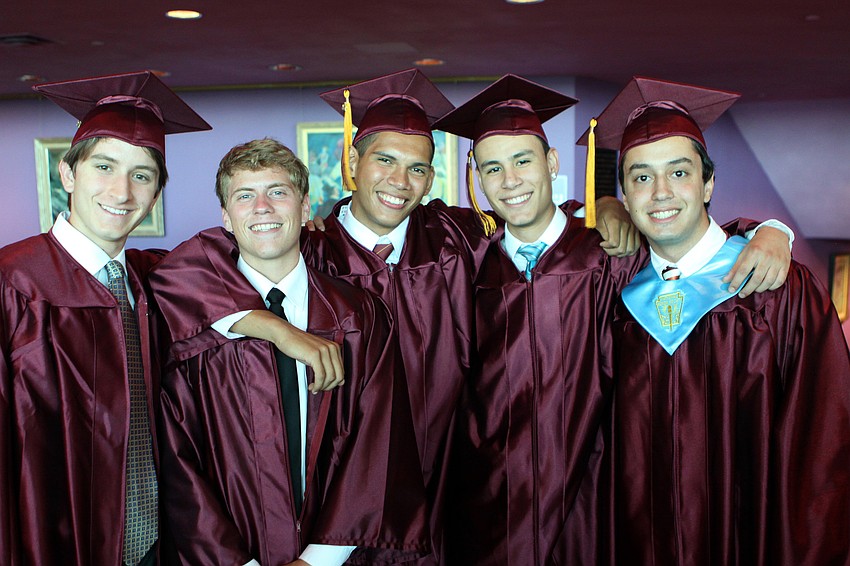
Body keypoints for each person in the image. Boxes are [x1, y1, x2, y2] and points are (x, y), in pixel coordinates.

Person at [433, 74, 794, 565]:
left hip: (594, 514)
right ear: (475, 175)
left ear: (552, 163)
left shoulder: (611, 256)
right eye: (492, 168)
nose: (510, 181)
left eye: (523, 161)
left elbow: (689, 241)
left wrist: (770, 230)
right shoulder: (464, 262)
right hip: (490, 512)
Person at [579, 76, 850, 566]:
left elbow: (822, 441)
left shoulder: (778, 289)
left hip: (750, 540)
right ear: (624, 196)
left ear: (708, 183)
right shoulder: (610, 293)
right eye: (641, 177)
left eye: (678, 173)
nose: (660, 192)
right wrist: (601, 207)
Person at [149, 138, 427, 565]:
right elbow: (179, 457)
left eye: (278, 192)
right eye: (245, 195)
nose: (262, 206)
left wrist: (317, 561)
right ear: (225, 216)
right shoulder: (194, 331)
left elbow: (377, 443)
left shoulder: (358, 315)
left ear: (303, 209)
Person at [0, 71, 211, 565]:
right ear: (68, 173)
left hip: (156, 545)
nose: (122, 191)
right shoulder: (13, 285)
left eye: (142, 175)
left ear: (157, 193)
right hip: (53, 541)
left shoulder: (151, 280)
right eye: (104, 167)